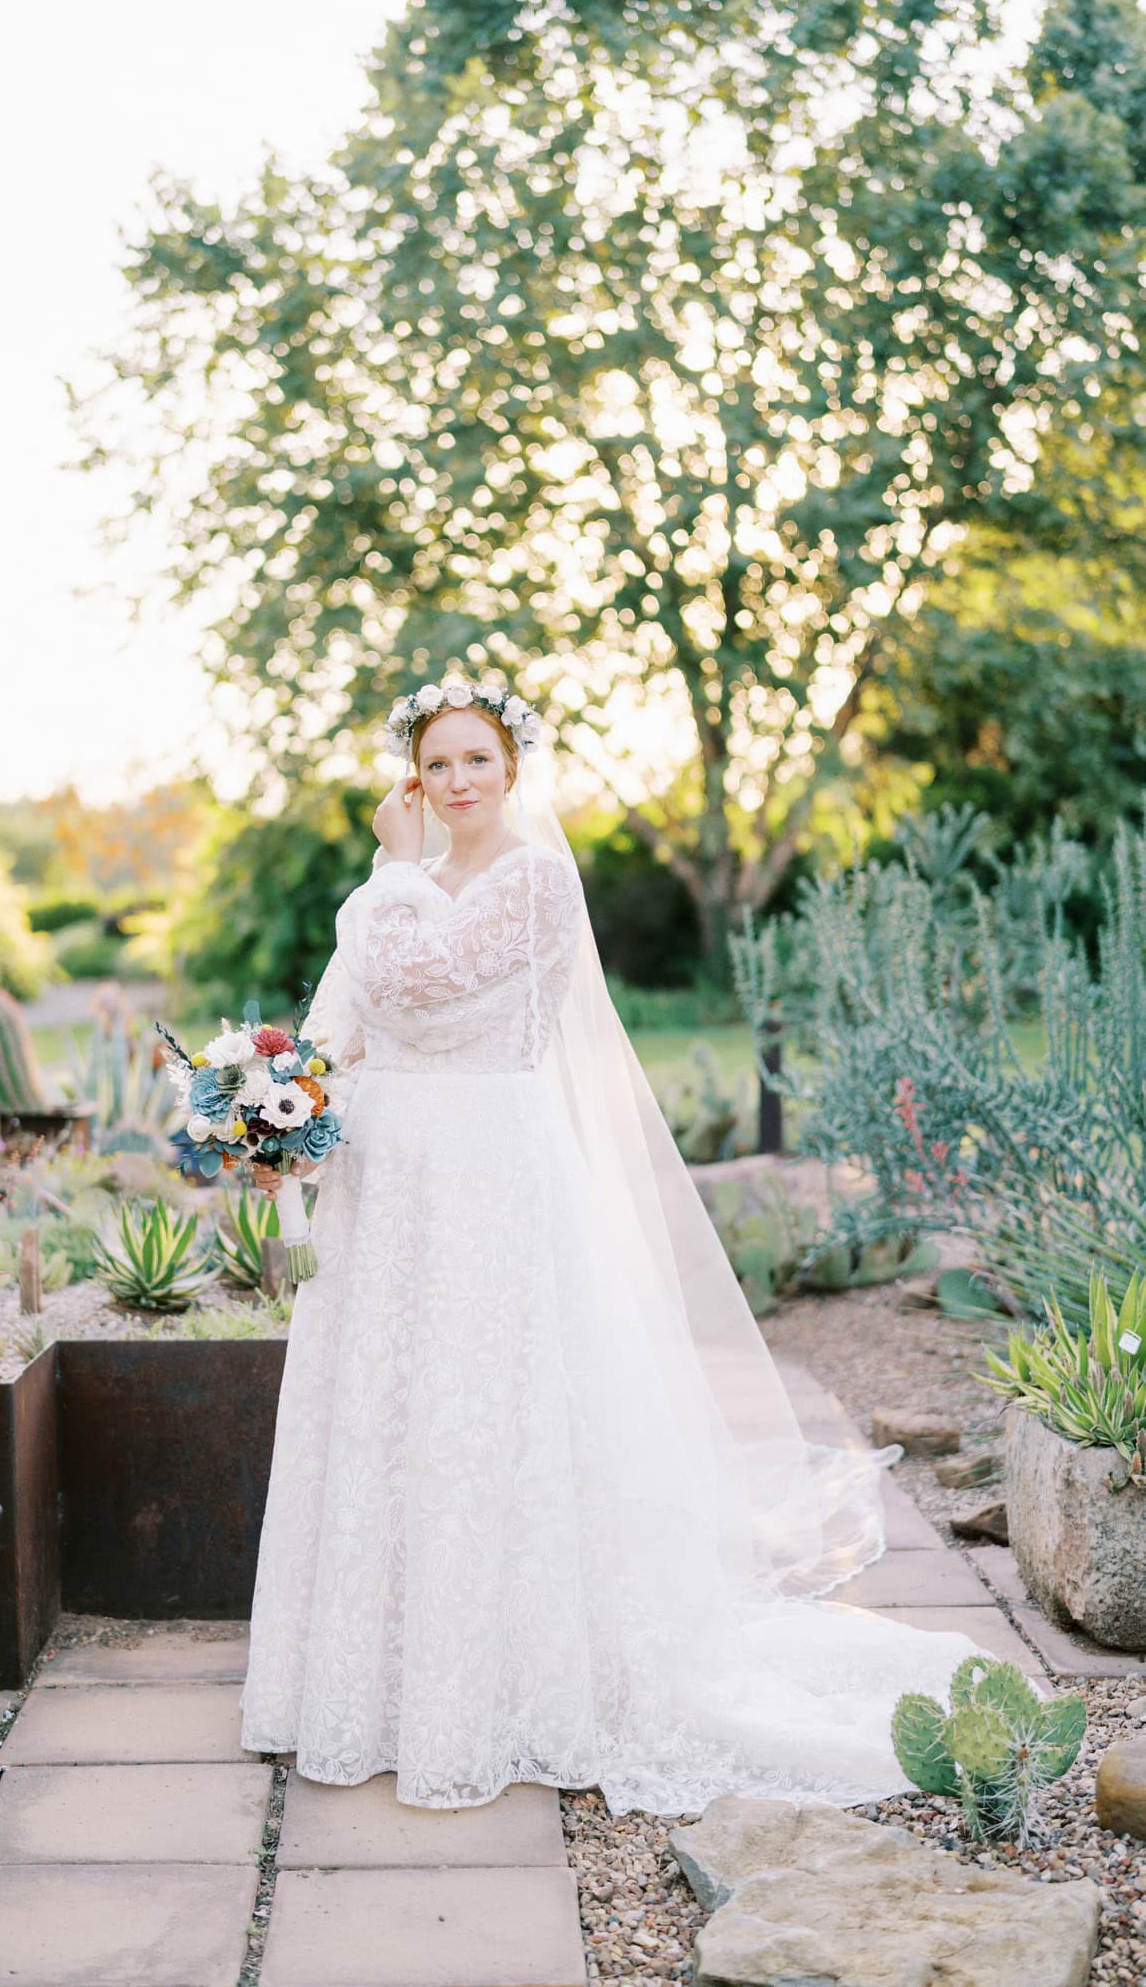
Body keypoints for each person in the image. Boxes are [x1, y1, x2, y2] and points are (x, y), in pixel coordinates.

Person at [238, 674, 984, 1814]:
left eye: (473, 761)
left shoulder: (530, 883)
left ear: (511, 769)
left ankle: (513, 1681)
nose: (453, 783)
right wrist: (282, 1110)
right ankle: (381, 1676)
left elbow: (419, 980)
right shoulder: (408, 883)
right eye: (435, 764)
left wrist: (386, 869)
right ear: (413, 775)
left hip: (486, 1173)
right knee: (391, 1407)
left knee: (489, 1404)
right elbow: (354, 1017)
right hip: (388, 1185)